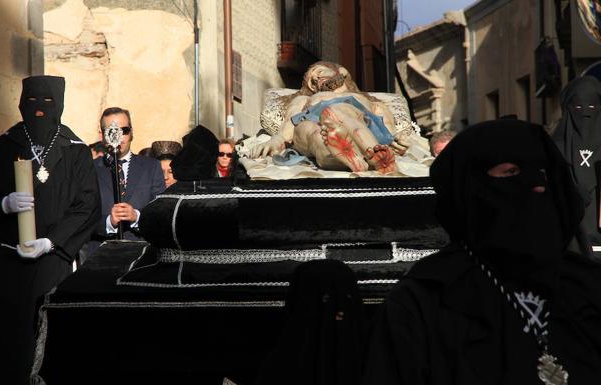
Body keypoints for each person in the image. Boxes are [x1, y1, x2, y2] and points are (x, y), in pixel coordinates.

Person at [363, 119, 601, 385]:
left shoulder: (586, 284)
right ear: (472, 188)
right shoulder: (428, 299)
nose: (536, 185)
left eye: (544, 174)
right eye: (511, 173)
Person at [0, 75, 100, 385]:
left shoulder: (76, 153)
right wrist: (3, 204)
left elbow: (87, 207)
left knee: (44, 338)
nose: (39, 111)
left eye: (47, 103)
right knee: (3, 341)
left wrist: (50, 242)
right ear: (21, 105)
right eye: (32, 103)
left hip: (51, 262)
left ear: (58, 106)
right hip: (6, 262)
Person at [250, 61, 415, 173]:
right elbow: (290, 123)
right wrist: (275, 141)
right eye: (312, 83)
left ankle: (375, 155)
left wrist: (397, 140)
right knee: (309, 130)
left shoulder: (369, 102)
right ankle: (351, 158)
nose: (315, 79)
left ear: (341, 72)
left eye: (319, 71)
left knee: (337, 113)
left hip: (355, 120)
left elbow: (389, 130)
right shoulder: (304, 99)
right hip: (314, 122)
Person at [88, 107, 163, 253]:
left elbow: (161, 213)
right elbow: (82, 216)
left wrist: (137, 217)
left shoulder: (151, 167)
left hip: (141, 255)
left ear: (131, 132)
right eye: (111, 131)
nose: (119, 136)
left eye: (124, 130)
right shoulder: (90, 170)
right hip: (102, 255)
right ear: (102, 135)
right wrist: (109, 222)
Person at [553, 76, 601, 248]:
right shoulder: (553, 150)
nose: (586, 113)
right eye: (579, 107)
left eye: (593, 107)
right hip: (568, 244)